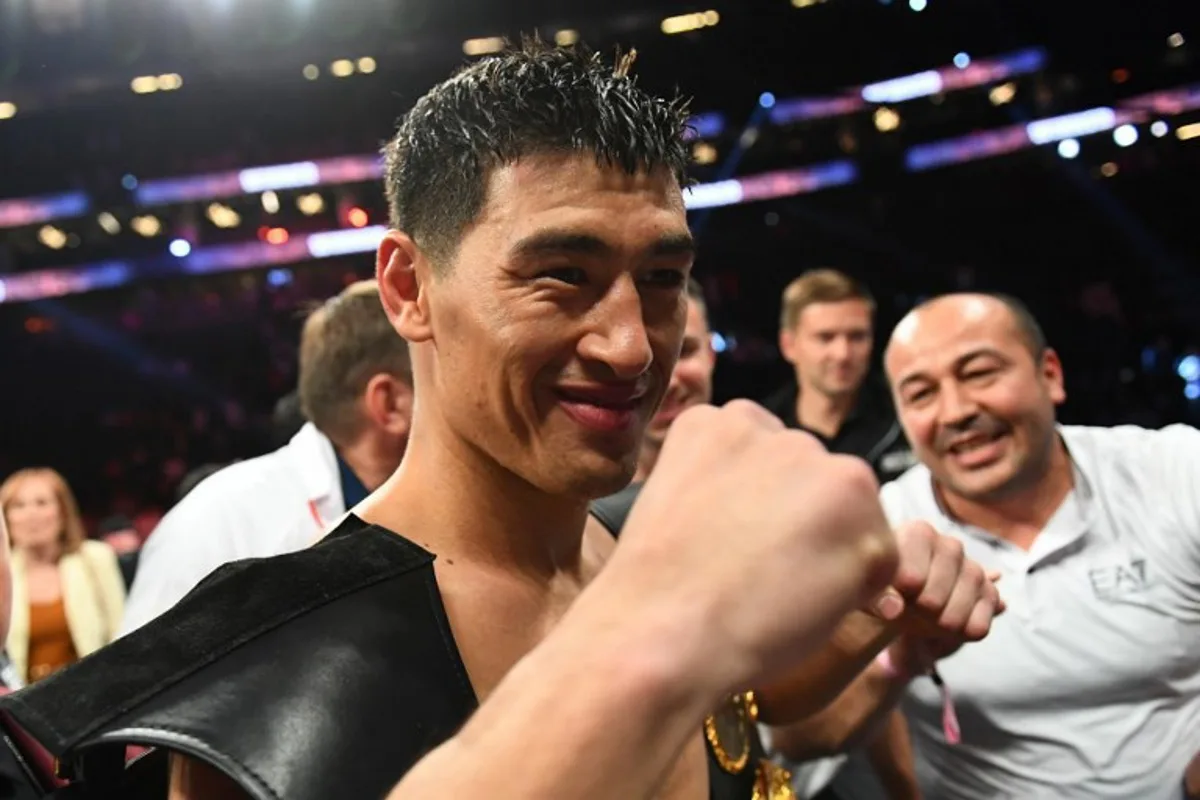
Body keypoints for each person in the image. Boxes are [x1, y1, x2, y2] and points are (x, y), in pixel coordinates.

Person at [0, 42, 999, 800]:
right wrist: (659, 625)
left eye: (659, 279)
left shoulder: (634, 550)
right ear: (408, 288)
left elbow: (754, 735)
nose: (632, 346)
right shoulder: (258, 657)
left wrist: (894, 644)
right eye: (561, 275)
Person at [871, 292, 1200, 798]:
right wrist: (889, 665)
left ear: (1051, 375)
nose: (955, 411)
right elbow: (808, 736)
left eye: (979, 373)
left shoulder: (1173, 470)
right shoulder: (878, 531)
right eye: (920, 394)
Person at [118, 280, 413, 633]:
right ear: (390, 403)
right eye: (437, 374)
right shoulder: (219, 520)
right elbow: (140, 683)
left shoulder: (447, 508)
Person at [764, 269, 915, 484]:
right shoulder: (762, 432)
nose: (843, 353)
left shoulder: (909, 419)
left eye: (857, 336)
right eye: (825, 338)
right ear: (789, 345)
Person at [0, 469, 125, 684]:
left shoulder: (95, 558)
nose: (32, 515)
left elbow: (121, 632)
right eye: (18, 506)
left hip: (94, 693)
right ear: (5, 518)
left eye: (42, 503)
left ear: (63, 511)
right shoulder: (4, 572)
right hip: (23, 705)